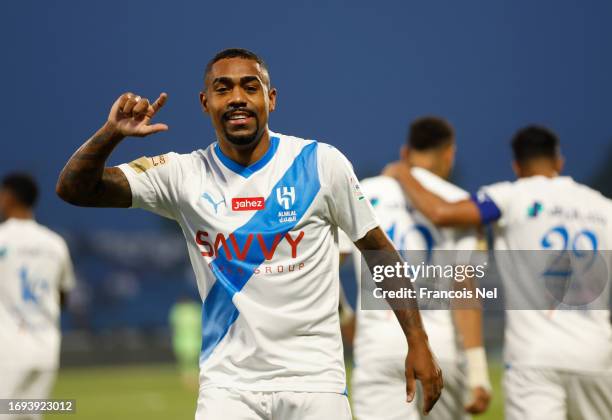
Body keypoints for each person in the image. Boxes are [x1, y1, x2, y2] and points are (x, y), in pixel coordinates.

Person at [56, 48, 443, 419]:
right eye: (223, 89)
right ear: (205, 102)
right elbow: (74, 189)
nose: (237, 98)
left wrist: (418, 342)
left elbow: (381, 254)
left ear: (271, 99)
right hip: (228, 387)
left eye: (250, 86)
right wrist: (111, 133)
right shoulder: (182, 174)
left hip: (315, 382)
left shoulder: (321, 164)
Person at [385, 125, 612, 420]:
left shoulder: (510, 196)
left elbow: (442, 213)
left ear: (517, 166)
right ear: (559, 162)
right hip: (598, 355)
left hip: (534, 359)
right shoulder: (604, 207)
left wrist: (404, 173)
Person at [340, 117, 491, 420]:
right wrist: (478, 372)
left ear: (405, 151)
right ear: (449, 153)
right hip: (441, 351)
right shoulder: (458, 202)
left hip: (378, 347)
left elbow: (326, 270)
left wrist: (347, 321)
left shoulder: (365, 192)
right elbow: (464, 291)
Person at [0, 173, 76, 419]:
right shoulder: (55, 244)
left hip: (8, 346)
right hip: (46, 347)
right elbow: (63, 296)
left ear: (9, 196)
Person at [169, 296, 202, 389]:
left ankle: (187, 378)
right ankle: (194, 378)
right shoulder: (195, 310)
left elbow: (173, 326)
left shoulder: (177, 310)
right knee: (195, 362)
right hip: (195, 340)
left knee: (186, 362)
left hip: (181, 341)